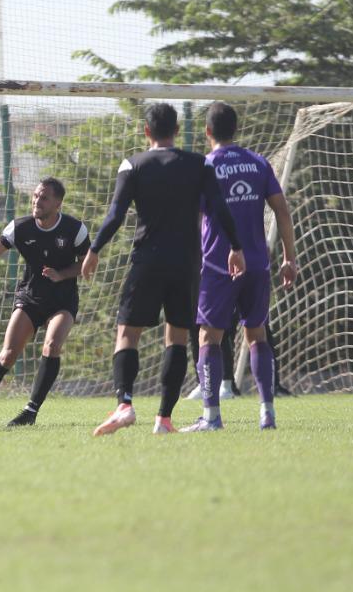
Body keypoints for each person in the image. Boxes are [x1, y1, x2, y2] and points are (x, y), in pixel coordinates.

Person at [81, 103, 244, 436]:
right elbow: (219, 209)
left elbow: (115, 214)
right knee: (177, 337)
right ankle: (164, 420)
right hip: (186, 263)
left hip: (148, 260)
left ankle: (125, 404)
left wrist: (94, 249)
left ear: (146, 131)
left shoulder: (133, 164)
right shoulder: (199, 164)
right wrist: (236, 248)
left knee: (127, 334)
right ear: (178, 131)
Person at [184, 102, 298, 432]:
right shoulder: (258, 163)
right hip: (258, 264)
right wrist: (290, 258)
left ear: (207, 132)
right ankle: (267, 413)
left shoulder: (205, 167)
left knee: (208, 337)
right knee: (256, 335)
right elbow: (282, 211)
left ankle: (211, 417)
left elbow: (194, 217)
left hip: (219, 265)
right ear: (237, 130)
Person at [0, 178, 91, 428]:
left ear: (58, 203)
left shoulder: (75, 229)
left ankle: (30, 411)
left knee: (52, 346)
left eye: (44, 197)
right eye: (36, 195)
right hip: (30, 298)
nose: (37, 201)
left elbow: (88, 263)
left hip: (62, 300)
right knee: (7, 355)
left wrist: (62, 274)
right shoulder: (20, 227)